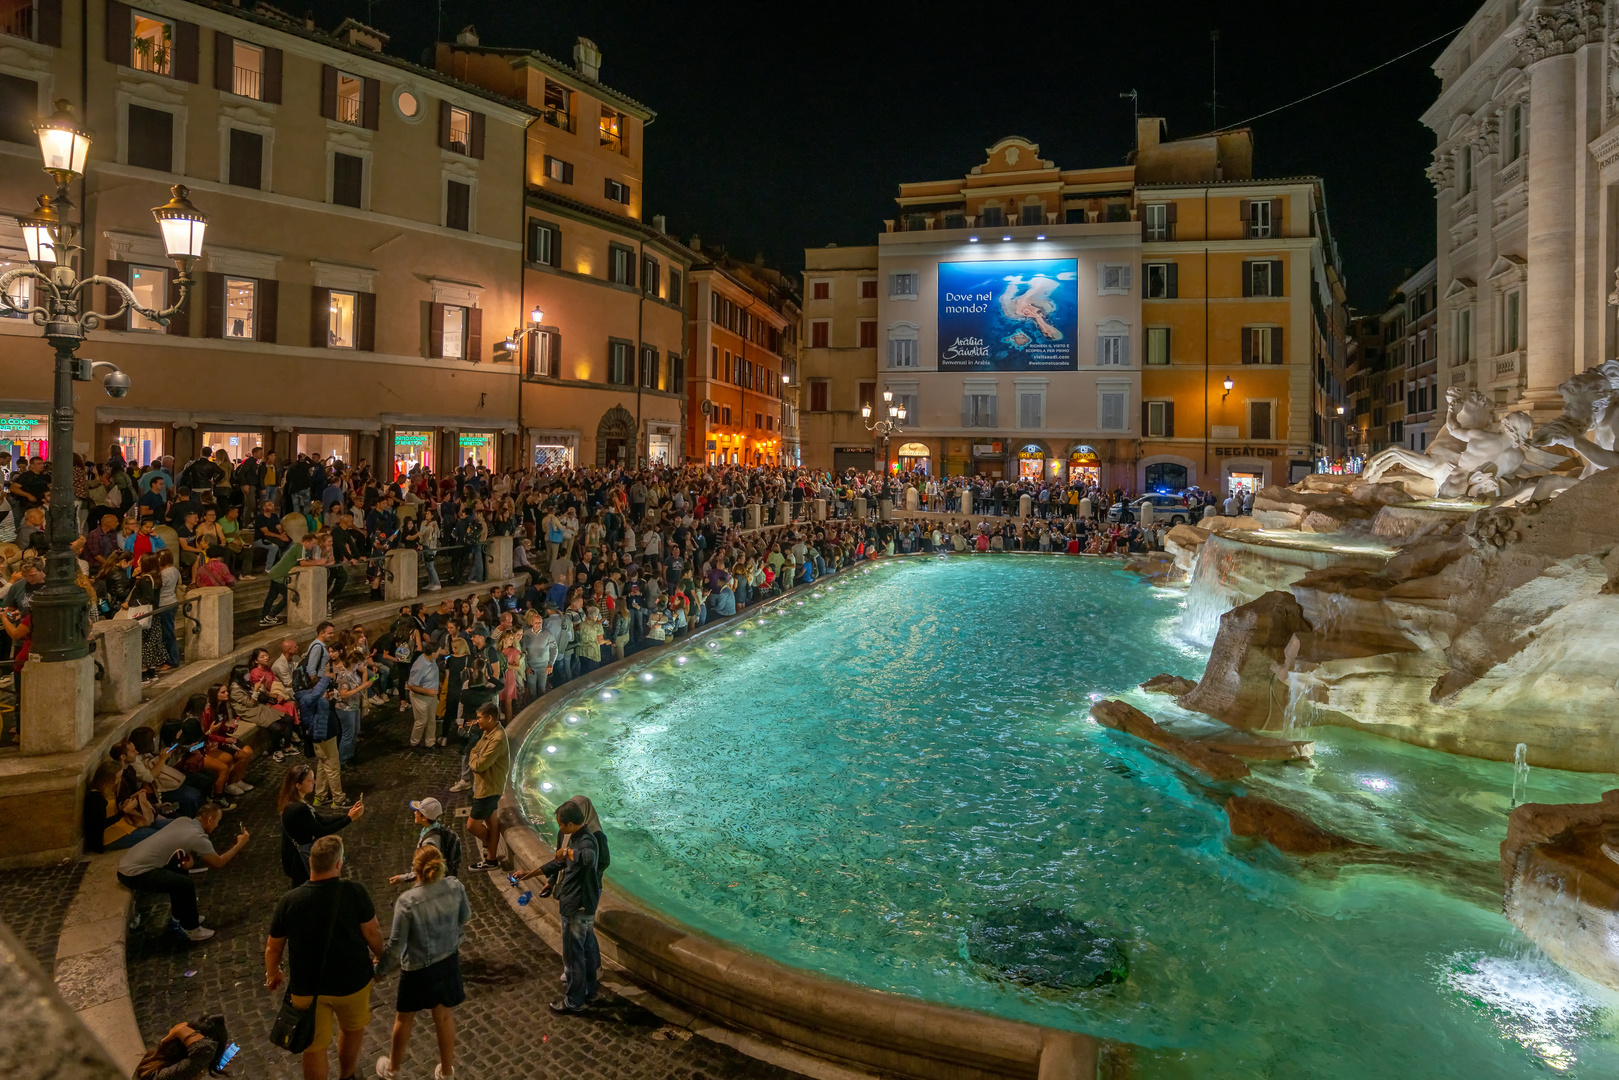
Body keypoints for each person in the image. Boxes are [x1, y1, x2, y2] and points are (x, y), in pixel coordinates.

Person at [264, 836, 386, 1080]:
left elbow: (273, 947)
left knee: (314, 1046)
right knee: (352, 1031)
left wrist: (273, 973)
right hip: (352, 982)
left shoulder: (290, 900)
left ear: (311, 862)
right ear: (339, 864)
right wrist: (383, 959)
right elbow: (372, 932)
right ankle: (348, 1076)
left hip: (308, 987)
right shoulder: (354, 892)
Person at [373, 845, 471, 1080]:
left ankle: (393, 1069)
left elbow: (396, 945)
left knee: (404, 1018)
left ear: (415, 870)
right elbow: (465, 917)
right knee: (444, 1016)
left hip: (417, 968)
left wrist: (380, 970)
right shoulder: (455, 887)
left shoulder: (407, 901)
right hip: (447, 960)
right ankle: (446, 1072)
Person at [116, 805, 249, 942]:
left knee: (180, 872)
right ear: (210, 820)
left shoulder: (184, 821)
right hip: (134, 873)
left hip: (127, 863)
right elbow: (218, 862)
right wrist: (239, 845)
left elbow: (178, 844)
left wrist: (188, 858)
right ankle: (191, 928)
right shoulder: (197, 837)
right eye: (217, 821)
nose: (217, 825)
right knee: (184, 884)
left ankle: (179, 917)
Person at [535, 800, 601, 1013]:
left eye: (561, 825)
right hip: (584, 906)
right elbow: (558, 863)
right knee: (588, 951)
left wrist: (570, 853)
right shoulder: (575, 837)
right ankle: (591, 992)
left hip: (576, 906)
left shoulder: (586, 841)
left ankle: (573, 1001)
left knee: (574, 957)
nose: (559, 829)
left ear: (572, 823)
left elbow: (589, 859)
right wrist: (533, 873)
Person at [278, 764, 365, 886]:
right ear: (298, 785)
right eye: (309, 780)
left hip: (296, 857)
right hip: (299, 861)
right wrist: (349, 819)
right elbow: (321, 830)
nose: (314, 782)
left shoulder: (297, 803)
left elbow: (321, 820)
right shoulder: (298, 808)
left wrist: (348, 815)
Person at [464, 702, 509, 871]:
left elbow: (479, 764)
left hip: (488, 788)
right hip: (489, 785)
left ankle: (488, 845)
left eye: (479, 718)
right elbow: (475, 750)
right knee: (492, 822)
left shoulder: (497, 739)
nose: (477, 721)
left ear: (490, 718)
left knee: (472, 825)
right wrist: (474, 756)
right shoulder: (489, 732)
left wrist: (474, 760)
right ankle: (491, 859)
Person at [133, 1015, 234, 1080]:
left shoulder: (165, 1057)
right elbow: (204, 1051)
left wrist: (208, 1063)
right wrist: (180, 1030)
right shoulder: (164, 1075)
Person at [388, 797, 461, 884]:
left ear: (424, 818)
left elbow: (423, 870)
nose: (415, 813)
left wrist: (401, 878)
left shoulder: (429, 842)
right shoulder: (436, 828)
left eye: (418, 812)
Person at [406, 642, 443, 748]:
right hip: (420, 698)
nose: (439, 653)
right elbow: (411, 685)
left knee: (432, 719)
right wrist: (428, 692)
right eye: (438, 651)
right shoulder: (419, 666)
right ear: (433, 654)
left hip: (432, 696)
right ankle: (414, 742)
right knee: (421, 721)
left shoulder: (432, 660)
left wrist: (437, 682)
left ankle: (430, 742)